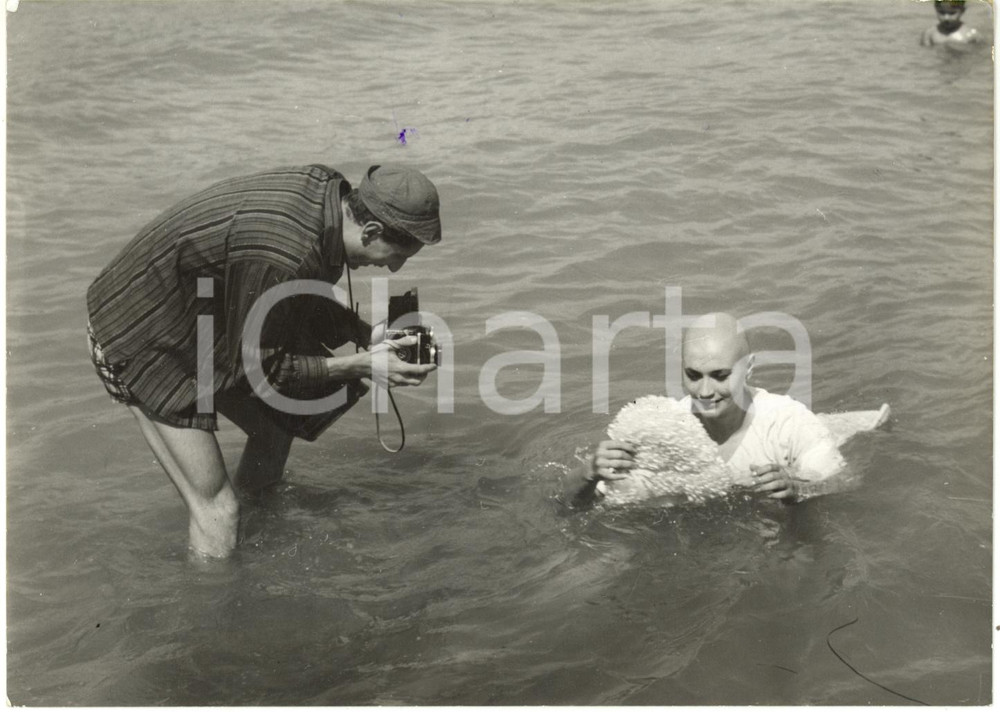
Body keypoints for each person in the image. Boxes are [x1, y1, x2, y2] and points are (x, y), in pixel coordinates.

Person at [87, 164, 441, 558]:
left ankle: (257, 550)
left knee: (274, 431)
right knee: (218, 510)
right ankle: (214, 613)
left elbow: (287, 299)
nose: (393, 268)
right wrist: (362, 365)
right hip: (138, 332)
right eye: (396, 256)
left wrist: (365, 333)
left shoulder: (329, 199)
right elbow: (264, 371)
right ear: (371, 231)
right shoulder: (286, 252)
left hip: (199, 316)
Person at [575, 313, 845, 507]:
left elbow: (844, 480)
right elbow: (576, 506)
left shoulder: (786, 422)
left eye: (720, 375)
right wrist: (588, 473)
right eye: (693, 375)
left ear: (749, 367)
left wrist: (798, 487)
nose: (704, 392)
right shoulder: (666, 430)